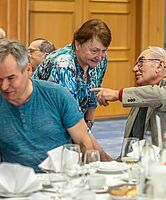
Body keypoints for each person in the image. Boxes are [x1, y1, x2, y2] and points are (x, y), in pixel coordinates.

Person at [0, 39, 111, 172]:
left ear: (28, 70)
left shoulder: (56, 95)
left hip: (58, 182)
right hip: (15, 187)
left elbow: (83, 143)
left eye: (11, 78)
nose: (4, 86)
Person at [91, 46, 166, 145]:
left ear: (160, 65)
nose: (134, 69)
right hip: (149, 162)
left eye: (140, 63)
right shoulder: (141, 96)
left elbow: (161, 96)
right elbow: (133, 139)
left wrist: (118, 94)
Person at [32, 19, 112, 130]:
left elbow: (94, 90)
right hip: (42, 121)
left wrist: (89, 121)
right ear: (77, 44)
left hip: (70, 120)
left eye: (104, 50)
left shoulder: (100, 58)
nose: (100, 56)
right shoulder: (63, 65)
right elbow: (70, 115)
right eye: (94, 51)